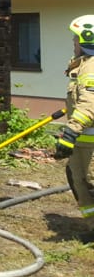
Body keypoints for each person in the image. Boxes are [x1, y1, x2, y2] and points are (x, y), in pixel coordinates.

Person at [55, 14, 94, 218]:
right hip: (83, 143)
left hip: (91, 145)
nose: (73, 42)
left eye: (76, 38)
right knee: (79, 182)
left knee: (90, 185)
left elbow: (90, 105)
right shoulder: (83, 64)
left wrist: (70, 133)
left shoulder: (92, 67)